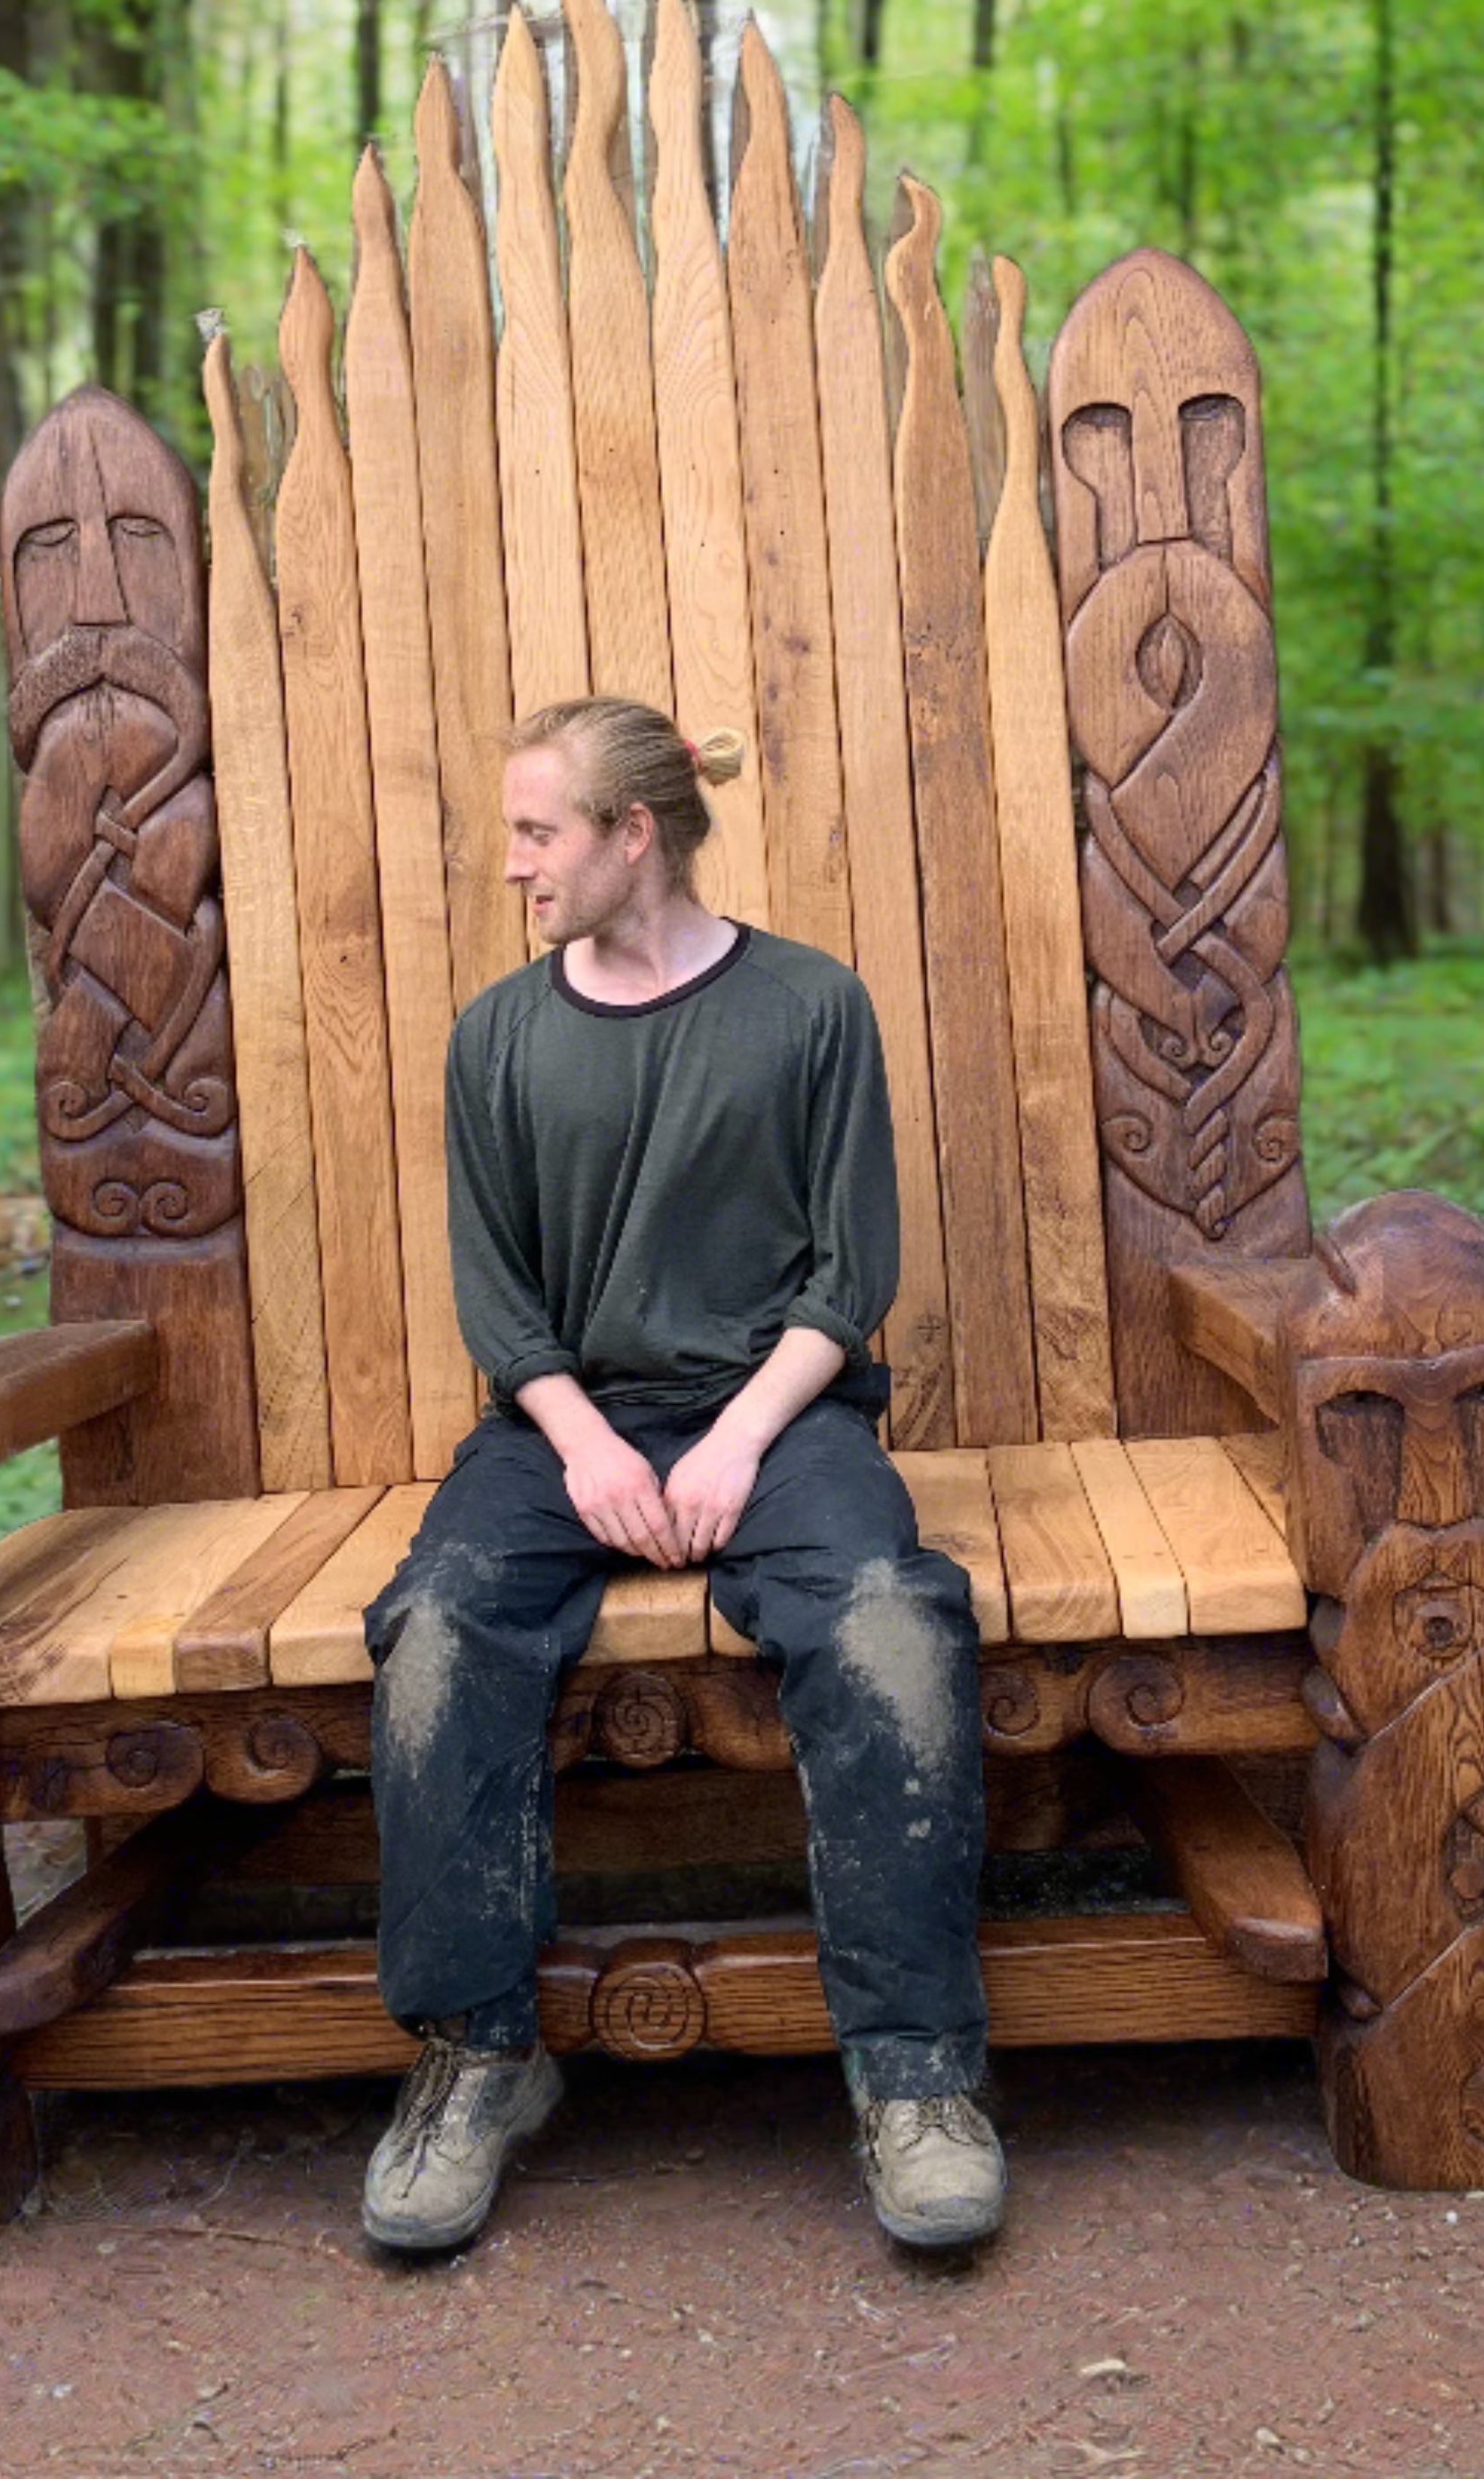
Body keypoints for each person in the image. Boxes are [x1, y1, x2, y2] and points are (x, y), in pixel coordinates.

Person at [355, 695, 1000, 2256]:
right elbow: (501, 1305)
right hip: (560, 1429)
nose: (514, 866)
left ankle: (916, 2074)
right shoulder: (499, 1038)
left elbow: (849, 1279)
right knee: (439, 1625)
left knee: (889, 1621)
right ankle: (477, 2059)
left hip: (776, 1421)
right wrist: (584, 1446)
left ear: (631, 834)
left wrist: (734, 1443)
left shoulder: (809, 1008)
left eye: (537, 832)